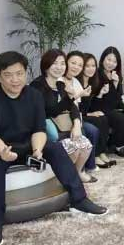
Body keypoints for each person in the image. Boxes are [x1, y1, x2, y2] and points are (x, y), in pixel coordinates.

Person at [0, 51, 107, 245]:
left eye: (19, 74)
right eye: (8, 75)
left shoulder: (33, 95)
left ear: (25, 73)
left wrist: (37, 150)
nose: (14, 79)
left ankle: (79, 199)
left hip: (28, 143)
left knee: (56, 149)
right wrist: (3, 152)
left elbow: (39, 129)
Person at [30, 50, 95, 183]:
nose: (59, 67)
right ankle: (66, 177)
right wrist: (70, 98)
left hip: (64, 125)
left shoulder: (60, 84)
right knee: (74, 148)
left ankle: (77, 173)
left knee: (86, 145)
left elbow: (72, 107)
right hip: (47, 129)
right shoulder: (37, 85)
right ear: (46, 65)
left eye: (62, 63)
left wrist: (76, 124)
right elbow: (48, 111)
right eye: (55, 63)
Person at [92, 46, 124, 158]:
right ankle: (118, 146)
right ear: (103, 59)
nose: (111, 63)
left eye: (114, 61)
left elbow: (117, 99)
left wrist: (116, 84)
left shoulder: (116, 76)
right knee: (120, 118)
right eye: (109, 59)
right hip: (99, 106)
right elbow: (96, 99)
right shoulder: (96, 74)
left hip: (112, 106)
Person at [65, 50, 108, 168]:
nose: (91, 69)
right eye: (87, 66)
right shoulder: (75, 81)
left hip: (80, 114)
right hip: (75, 116)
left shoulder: (92, 82)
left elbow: (89, 105)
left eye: (93, 66)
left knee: (103, 118)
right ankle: (95, 157)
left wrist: (100, 95)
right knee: (96, 123)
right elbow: (75, 105)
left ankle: (100, 152)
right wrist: (89, 114)